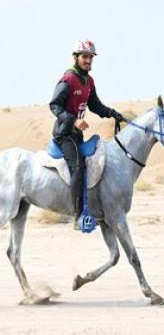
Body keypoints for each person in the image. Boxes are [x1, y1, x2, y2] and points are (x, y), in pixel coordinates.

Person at [49, 40, 124, 228]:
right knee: (79, 167)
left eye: (90, 57)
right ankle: (78, 217)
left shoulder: (88, 81)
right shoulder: (68, 79)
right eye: (84, 57)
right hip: (64, 134)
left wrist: (112, 113)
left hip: (77, 135)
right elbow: (54, 105)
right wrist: (74, 120)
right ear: (76, 57)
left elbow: (95, 105)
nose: (88, 60)